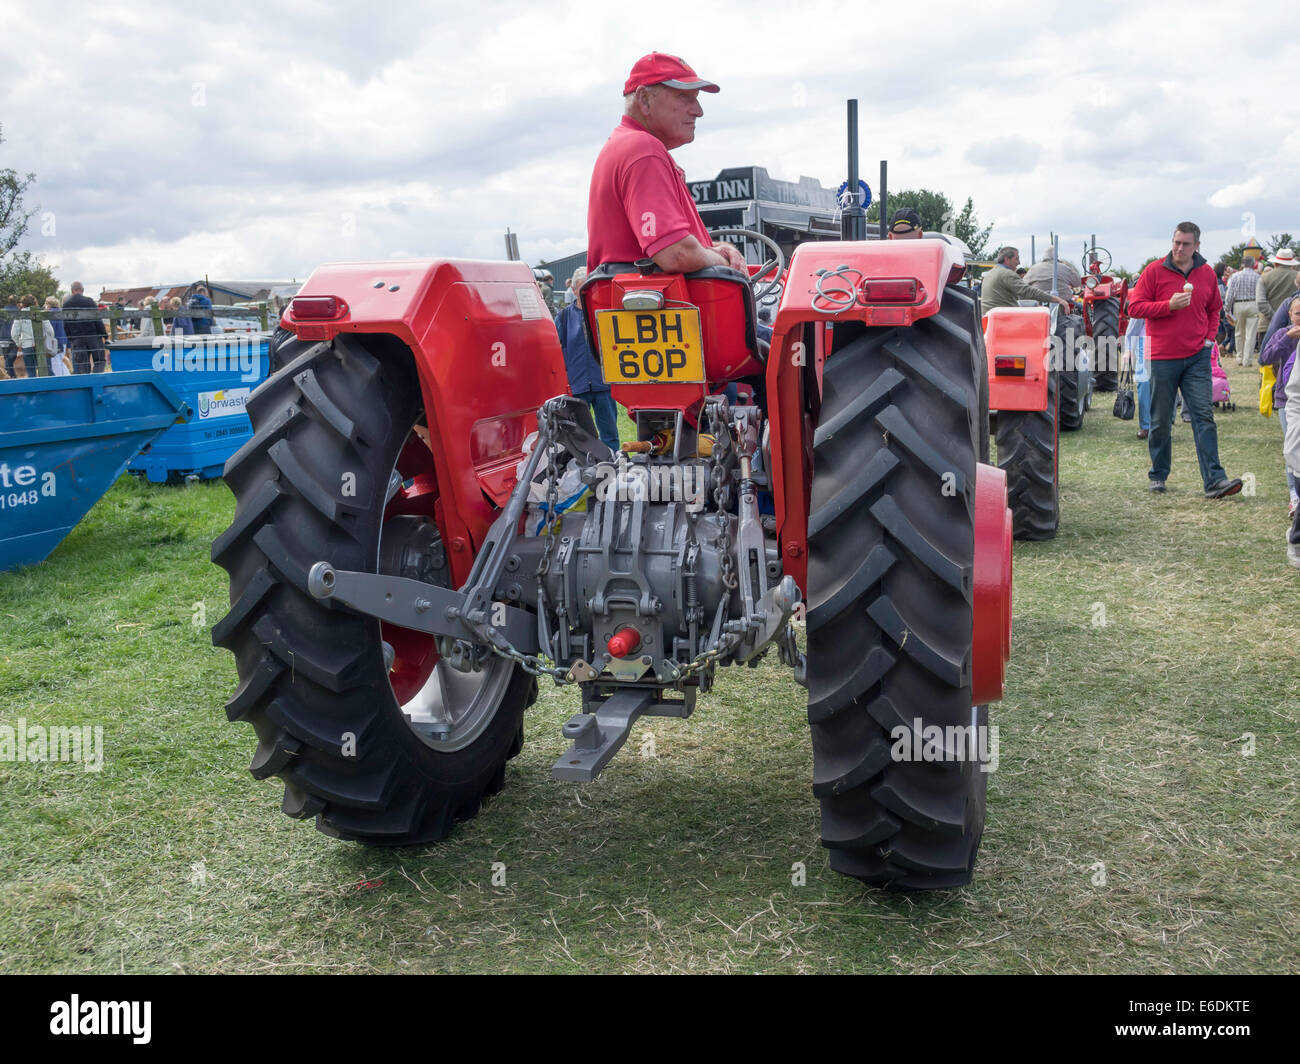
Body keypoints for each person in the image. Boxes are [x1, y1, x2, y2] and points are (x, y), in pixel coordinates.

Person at [586, 53, 746, 274]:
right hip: (660, 302)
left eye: (696, 98)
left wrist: (715, 251)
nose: (698, 111)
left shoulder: (625, 146)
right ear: (644, 99)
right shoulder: (643, 149)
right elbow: (675, 254)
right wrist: (727, 264)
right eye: (684, 97)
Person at [1128, 221, 1241, 497]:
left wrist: (1208, 339)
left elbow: (1215, 308)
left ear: (1196, 246)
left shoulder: (1205, 274)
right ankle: (1158, 474)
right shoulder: (1154, 271)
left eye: (1185, 244)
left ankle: (1215, 480)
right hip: (1162, 358)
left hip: (1196, 358)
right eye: (1176, 242)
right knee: (1160, 420)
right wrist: (1168, 306)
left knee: (1204, 417)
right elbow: (1134, 307)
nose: (1179, 248)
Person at [554, 267, 620, 452]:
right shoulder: (564, 317)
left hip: (603, 384)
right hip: (577, 385)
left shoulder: (605, 313)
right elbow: (555, 348)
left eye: (589, 289)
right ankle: (585, 468)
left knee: (610, 433)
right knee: (580, 435)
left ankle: (613, 465)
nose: (585, 293)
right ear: (574, 291)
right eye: (581, 289)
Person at [1260, 298, 1300, 518]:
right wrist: (1286, 339)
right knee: (1292, 446)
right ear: (1289, 315)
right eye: (1298, 314)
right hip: (1287, 399)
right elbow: (1266, 357)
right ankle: (1294, 495)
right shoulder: (1283, 334)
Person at [979, 246, 1073, 311]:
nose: (1019, 262)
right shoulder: (1007, 274)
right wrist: (1057, 299)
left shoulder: (990, 274)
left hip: (989, 317)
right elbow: (1028, 291)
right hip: (1004, 319)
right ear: (1007, 259)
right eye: (1016, 259)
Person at [1224, 257, 1269, 365]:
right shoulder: (1258, 277)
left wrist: (1227, 309)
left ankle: (1239, 357)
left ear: (1242, 264)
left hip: (1238, 304)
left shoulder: (1235, 276)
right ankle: (1247, 360)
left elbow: (1229, 295)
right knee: (1251, 333)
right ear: (1253, 264)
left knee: (1239, 332)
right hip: (1253, 304)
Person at [62, 281, 108, 374]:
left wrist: (71, 338)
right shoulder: (89, 301)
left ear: (72, 291)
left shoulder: (66, 304)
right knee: (99, 361)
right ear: (82, 290)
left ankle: (88, 385)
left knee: (83, 365)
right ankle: (97, 382)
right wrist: (105, 335)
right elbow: (98, 320)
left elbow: (66, 324)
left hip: (77, 339)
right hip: (93, 337)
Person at [8, 294, 55, 377]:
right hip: (41, 344)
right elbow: (50, 331)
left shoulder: (19, 315)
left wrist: (19, 343)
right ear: (35, 302)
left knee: (31, 373)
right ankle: (50, 388)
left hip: (27, 346)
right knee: (46, 371)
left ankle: (34, 389)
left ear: (23, 303)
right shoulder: (40, 312)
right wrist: (48, 340)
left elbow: (14, 334)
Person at [1260, 247, 1300, 315]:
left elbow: (1261, 302)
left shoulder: (1264, 277)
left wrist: (1275, 317)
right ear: (1291, 263)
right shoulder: (1298, 276)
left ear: (1275, 263)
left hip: (1267, 322)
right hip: (1293, 320)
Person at [0, 295, 17, 377]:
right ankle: (12, 377)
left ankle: (10, 377)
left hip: (3, 339)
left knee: (7, 359)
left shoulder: (2, 311)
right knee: (9, 360)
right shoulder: (19, 312)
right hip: (14, 339)